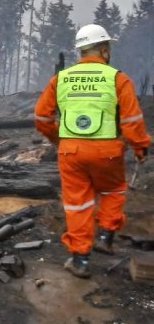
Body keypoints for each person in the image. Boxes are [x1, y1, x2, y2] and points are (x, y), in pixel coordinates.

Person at [34, 24, 150, 279]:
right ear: (104, 50)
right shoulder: (118, 79)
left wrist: (57, 139)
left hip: (71, 151)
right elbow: (132, 123)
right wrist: (141, 148)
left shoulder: (61, 79)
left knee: (77, 204)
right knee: (113, 190)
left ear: (81, 52)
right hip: (107, 151)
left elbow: (42, 117)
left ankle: (80, 261)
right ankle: (106, 235)